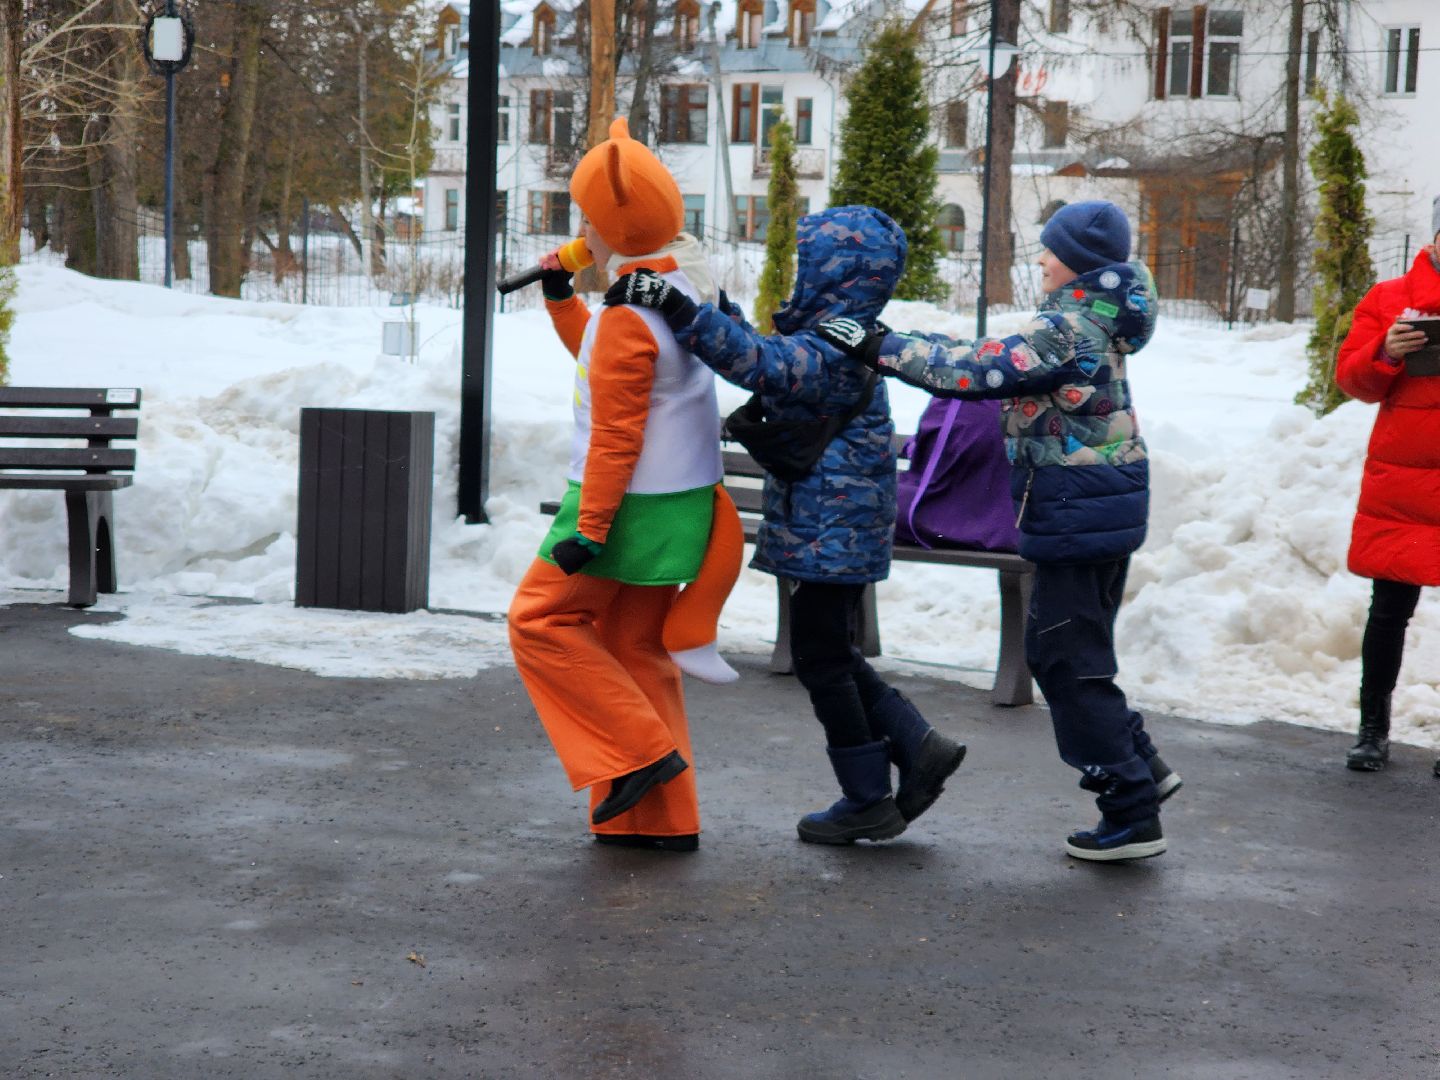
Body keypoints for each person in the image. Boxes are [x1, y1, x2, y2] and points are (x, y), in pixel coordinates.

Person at [817, 200, 1180, 862]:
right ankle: (1141, 766)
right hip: (1098, 510)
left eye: (1050, 250)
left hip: (1076, 514)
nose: (1041, 260)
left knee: (1065, 661)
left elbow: (975, 371)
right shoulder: (1093, 320)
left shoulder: (1068, 329)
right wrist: (897, 340)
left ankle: (1131, 807)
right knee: (1074, 652)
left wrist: (877, 347)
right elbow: (985, 353)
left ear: (1077, 263)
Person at [604, 205, 967, 845]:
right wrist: (709, 301)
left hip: (835, 530)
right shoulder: (835, 335)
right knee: (828, 650)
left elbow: (763, 365)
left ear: (835, 274)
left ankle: (868, 795)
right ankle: (915, 745)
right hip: (834, 527)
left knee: (820, 657)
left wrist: (681, 308)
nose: (800, 275)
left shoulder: (839, 343)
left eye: (809, 265)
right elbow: (769, 355)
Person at [506, 117, 742, 853]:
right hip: (682, 503)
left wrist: (590, 531)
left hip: (624, 507)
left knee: (538, 622)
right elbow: (609, 368)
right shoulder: (680, 285)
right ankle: (661, 818)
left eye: (586, 217)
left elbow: (615, 431)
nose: (580, 231)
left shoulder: (627, 315)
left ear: (612, 225)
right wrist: (562, 299)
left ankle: (638, 752)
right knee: (636, 648)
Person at [1334, 194, 1440, 777]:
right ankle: (1372, 730)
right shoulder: (1388, 299)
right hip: (1402, 482)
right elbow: (1353, 379)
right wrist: (1386, 352)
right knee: (1389, 611)